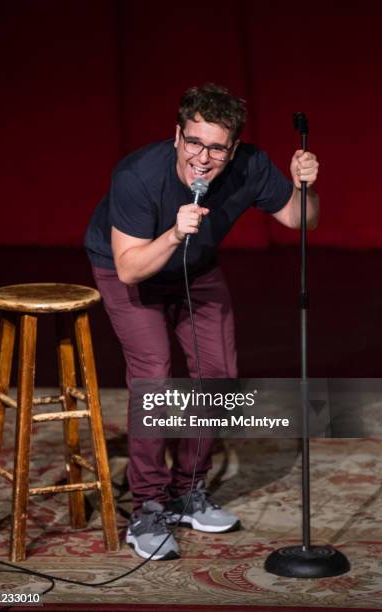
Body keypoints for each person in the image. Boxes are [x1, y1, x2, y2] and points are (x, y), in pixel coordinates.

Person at [84, 83, 319, 560]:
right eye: (194, 142)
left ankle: (188, 490)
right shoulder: (137, 175)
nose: (203, 158)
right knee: (154, 376)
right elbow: (128, 267)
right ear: (177, 136)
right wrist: (173, 233)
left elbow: (301, 220)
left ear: (233, 148)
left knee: (217, 376)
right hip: (130, 265)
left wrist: (303, 187)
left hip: (197, 267)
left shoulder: (251, 165)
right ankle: (148, 504)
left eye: (216, 147)